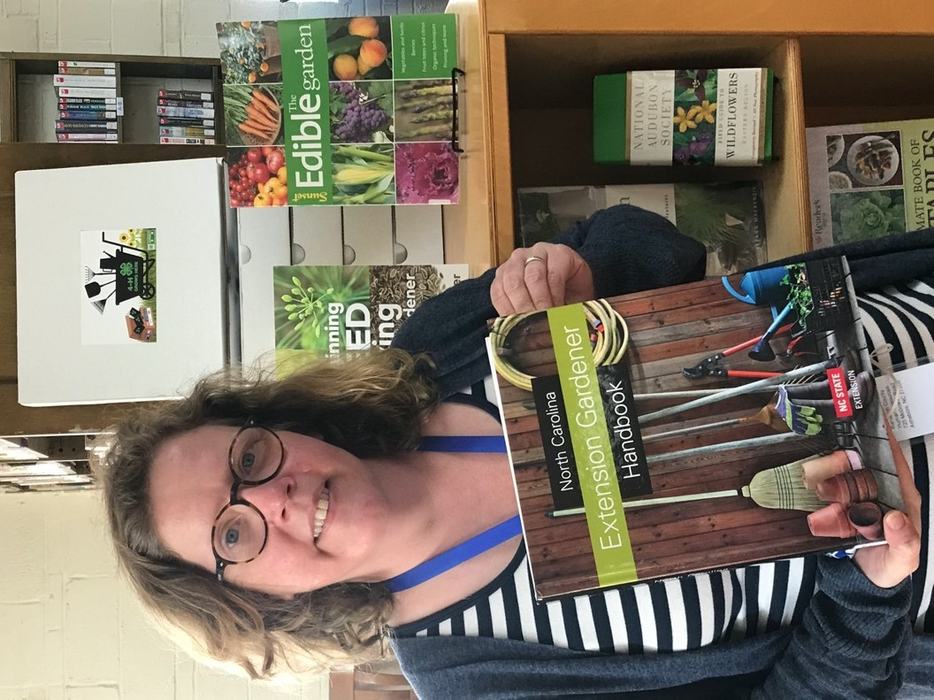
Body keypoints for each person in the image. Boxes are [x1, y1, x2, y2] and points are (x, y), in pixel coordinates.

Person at [100, 205, 934, 698]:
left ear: (274, 424)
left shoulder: (438, 350)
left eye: (247, 460)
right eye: (232, 537)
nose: (270, 498)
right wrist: (863, 593)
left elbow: (657, 244)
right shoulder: (476, 677)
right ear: (252, 601)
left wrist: (587, 271)